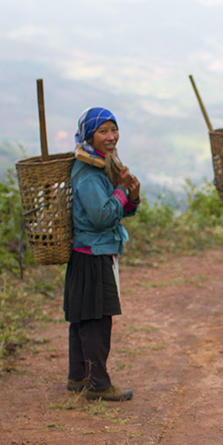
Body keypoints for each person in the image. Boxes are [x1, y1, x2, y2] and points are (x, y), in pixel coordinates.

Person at [63, 107, 140, 401]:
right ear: (89, 135)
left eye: (113, 129)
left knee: (83, 317)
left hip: (87, 254)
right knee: (97, 320)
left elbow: (119, 208)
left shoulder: (99, 164)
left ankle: (78, 377)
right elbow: (101, 216)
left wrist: (130, 195)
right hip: (92, 254)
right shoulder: (88, 174)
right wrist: (120, 190)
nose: (111, 137)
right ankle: (98, 384)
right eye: (103, 131)